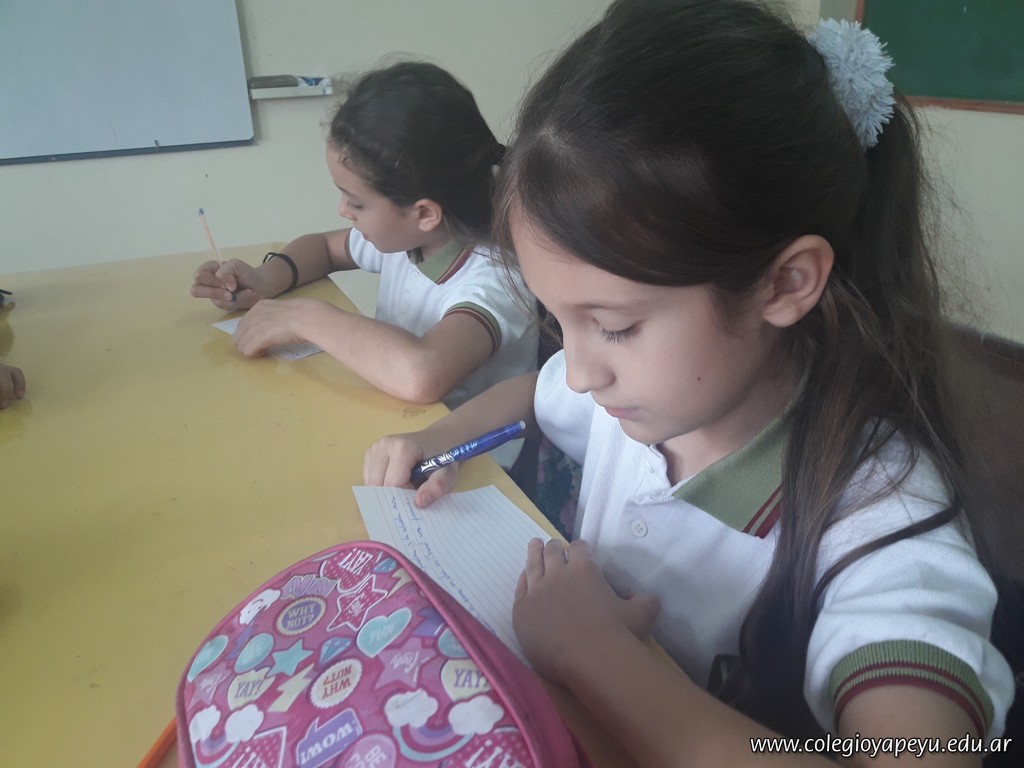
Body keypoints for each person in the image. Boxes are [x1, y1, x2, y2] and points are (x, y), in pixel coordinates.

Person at [364, 2, 1019, 765]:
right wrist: (439, 438)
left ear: (785, 283)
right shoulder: (638, 394)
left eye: (614, 325)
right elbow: (536, 396)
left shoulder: (880, 515)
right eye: (557, 319)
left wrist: (595, 653)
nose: (580, 370)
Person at [190, 63, 538, 430]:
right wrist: (263, 279)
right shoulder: (412, 240)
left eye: (356, 203)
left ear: (424, 213)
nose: (342, 211)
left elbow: (423, 372)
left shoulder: (495, 279)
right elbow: (323, 249)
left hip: (468, 456)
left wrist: (307, 318)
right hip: (394, 425)